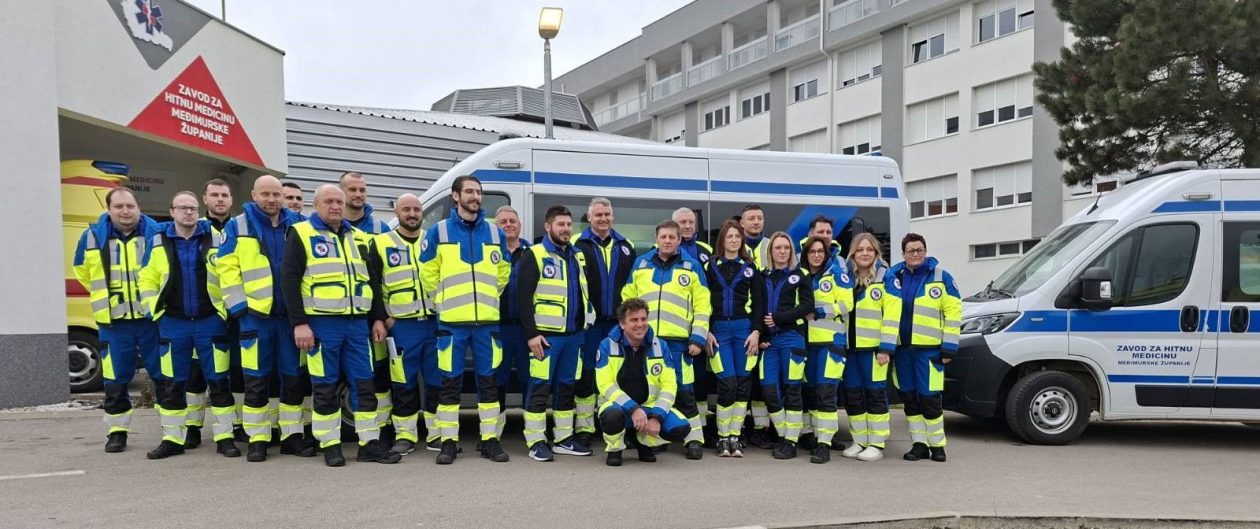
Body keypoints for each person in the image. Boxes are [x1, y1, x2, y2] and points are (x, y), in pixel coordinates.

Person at [281, 184, 398, 467]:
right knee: (324, 386)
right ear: (316, 204)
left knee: (365, 385)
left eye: (339, 202)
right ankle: (330, 444)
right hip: (322, 324)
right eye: (329, 201)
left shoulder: (358, 237)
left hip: (358, 325)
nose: (335, 206)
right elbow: (290, 281)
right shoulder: (301, 234)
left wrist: (377, 319)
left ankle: (369, 443)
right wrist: (299, 323)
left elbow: (371, 282)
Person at [217, 175, 314, 462]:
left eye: (276, 194)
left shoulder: (299, 225)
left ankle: (291, 436)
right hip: (255, 318)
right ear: (253, 195)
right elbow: (226, 269)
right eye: (265, 194)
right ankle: (258, 438)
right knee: (256, 380)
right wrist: (239, 309)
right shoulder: (238, 226)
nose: (271, 199)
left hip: (291, 318)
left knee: (293, 379)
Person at [419, 175, 511, 465]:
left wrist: (488, 299)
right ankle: (448, 442)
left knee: (488, 383)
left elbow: (503, 272)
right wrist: (443, 300)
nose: (475, 196)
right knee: (450, 384)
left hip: (486, 322)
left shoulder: (495, 233)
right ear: (456, 196)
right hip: (451, 323)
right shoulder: (439, 231)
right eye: (469, 191)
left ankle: (489, 440)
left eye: (478, 192)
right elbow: (427, 272)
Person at [137, 192, 233, 459]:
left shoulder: (215, 237)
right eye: (182, 208)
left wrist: (224, 312)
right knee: (173, 384)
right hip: (173, 323)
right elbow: (146, 279)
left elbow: (229, 274)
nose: (188, 213)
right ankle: (172, 439)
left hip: (210, 322)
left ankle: (225, 437)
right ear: (172, 212)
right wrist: (153, 312)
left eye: (192, 208)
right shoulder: (158, 241)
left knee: (219, 383)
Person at [73, 187, 161, 453]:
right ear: (109, 209)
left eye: (130, 206)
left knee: (165, 376)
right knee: (115, 380)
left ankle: (172, 433)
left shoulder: (156, 234)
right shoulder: (91, 237)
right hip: (114, 322)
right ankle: (117, 432)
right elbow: (82, 272)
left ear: (139, 208)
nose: (125, 211)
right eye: (119, 206)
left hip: (151, 319)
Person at [621, 220, 710, 460]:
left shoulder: (691, 266)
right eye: (664, 237)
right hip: (647, 341)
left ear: (680, 240)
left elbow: (703, 306)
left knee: (684, 391)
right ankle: (654, 438)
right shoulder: (641, 264)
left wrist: (698, 338)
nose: (668, 241)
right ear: (657, 238)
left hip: (680, 342)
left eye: (673, 237)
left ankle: (694, 439)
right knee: (651, 390)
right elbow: (627, 301)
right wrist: (628, 334)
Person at [516, 205, 595, 461]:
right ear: (548, 227)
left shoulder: (576, 255)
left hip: (574, 338)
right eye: (560, 225)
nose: (566, 229)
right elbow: (523, 298)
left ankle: (563, 439)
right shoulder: (535, 254)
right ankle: (536, 441)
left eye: (569, 225)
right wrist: (531, 334)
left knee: (566, 388)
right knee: (539, 389)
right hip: (545, 339)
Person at [365, 193, 436, 456]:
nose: (412, 214)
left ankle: (436, 433)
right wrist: (383, 318)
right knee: (403, 383)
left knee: (436, 381)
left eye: (416, 209)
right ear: (397, 212)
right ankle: (405, 435)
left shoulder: (433, 240)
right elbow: (373, 284)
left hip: (433, 323)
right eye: (406, 209)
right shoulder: (382, 243)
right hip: (401, 326)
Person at [889, 233, 960, 463]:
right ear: (903, 254)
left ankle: (937, 445)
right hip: (902, 350)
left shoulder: (941, 277)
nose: (916, 254)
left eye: (919, 250)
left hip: (930, 351)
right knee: (909, 398)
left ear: (925, 251)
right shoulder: (894, 276)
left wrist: (949, 346)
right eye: (911, 251)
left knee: (930, 398)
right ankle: (919, 444)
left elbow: (953, 313)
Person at [595, 298, 692, 467]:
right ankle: (615, 448)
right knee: (612, 417)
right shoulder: (607, 345)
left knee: (681, 428)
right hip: (618, 407)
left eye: (643, 319)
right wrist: (633, 408)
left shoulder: (660, 346)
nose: (640, 324)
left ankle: (644, 442)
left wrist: (657, 416)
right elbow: (605, 384)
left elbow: (669, 386)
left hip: (650, 407)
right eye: (634, 320)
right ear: (622, 324)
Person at [573, 197, 636, 448]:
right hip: (590, 324)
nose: (603, 219)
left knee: (618, 375)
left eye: (607, 214)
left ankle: (617, 425)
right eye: (598, 215)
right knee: (588, 374)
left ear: (613, 216)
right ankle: (585, 427)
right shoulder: (578, 244)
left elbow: (633, 287)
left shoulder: (626, 246)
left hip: (617, 325)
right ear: (589, 218)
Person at [338, 171, 394, 437]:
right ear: (342, 193)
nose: (358, 194)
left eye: (362, 190)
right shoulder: (325, 227)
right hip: (335, 317)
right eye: (353, 189)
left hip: (372, 317)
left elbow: (384, 278)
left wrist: (381, 317)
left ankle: (377, 431)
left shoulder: (380, 229)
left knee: (376, 374)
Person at [703, 220, 763, 457]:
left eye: (737, 237)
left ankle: (734, 437)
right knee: (727, 384)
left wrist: (757, 331)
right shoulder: (709, 266)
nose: (734, 240)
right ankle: (722, 436)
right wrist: (704, 330)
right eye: (729, 236)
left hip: (744, 331)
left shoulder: (750, 268)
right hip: (718, 331)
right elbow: (701, 301)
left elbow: (759, 303)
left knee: (742, 384)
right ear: (722, 240)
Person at [182, 178, 234, 449]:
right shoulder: (198, 230)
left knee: (225, 377)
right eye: (214, 194)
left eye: (224, 195)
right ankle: (192, 427)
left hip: (232, 315)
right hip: (203, 315)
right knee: (196, 377)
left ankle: (229, 430)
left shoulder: (239, 229)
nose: (220, 199)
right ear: (205, 199)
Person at [756, 231, 813, 460]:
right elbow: (758, 307)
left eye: (785, 248)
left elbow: (808, 305)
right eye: (777, 248)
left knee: (792, 390)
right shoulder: (763, 276)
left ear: (791, 251)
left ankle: (789, 441)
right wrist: (760, 334)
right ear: (770, 252)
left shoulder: (801, 275)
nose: (781, 251)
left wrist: (780, 318)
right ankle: (785, 434)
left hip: (792, 338)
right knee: (769, 390)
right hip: (769, 342)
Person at [842, 232, 897, 462]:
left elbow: (893, 315)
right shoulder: (846, 277)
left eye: (869, 249)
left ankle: (877, 442)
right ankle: (859, 440)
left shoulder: (886, 278)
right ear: (853, 253)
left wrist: (886, 348)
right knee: (853, 395)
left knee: (875, 394)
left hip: (875, 350)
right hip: (849, 349)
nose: (864, 253)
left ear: (876, 253)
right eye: (860, 249)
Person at [799, 236, 854, 464]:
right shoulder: (801, 276)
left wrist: (819, 312)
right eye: (812, 251)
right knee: (810, 393)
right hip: (807, 345)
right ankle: (813, 436)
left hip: (831, 343)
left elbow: (846, 304)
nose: (817, 255)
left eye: (821, 251)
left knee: (826, 394)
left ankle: (824, 443)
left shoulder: (836, 275)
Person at [493, 205, 530, 449]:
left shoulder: (533, 253)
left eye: (512, 221)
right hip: (498, 328)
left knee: (530, 380)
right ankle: (493, 434)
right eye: (503, 221)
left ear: (519, 225)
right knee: (497, 380)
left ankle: (533, 434)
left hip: (527, 330)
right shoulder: (489, 252)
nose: (508, 224)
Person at [740, 204, 773, 448]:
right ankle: (739, 427)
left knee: (762, 384)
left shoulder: (771, 245)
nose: (756, 222)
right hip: (743, 326)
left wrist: (764, 330)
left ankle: (761, 428)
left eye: (759, 218)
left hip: (768, 323)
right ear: (742, 223)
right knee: (743, 380)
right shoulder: (734, 246)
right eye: (751, 218)